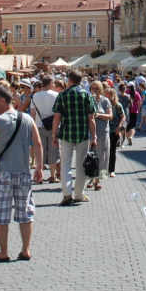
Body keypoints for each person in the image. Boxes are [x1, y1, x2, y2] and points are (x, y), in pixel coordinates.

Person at [0, 84, 43, 261]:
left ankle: (4, 252)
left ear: (2, 100)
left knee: (2, 212)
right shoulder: (27, 119)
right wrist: (38, 167)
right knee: (25, 211)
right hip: (23, 172)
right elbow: (37, 144)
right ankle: (26, 249)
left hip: (4, 172)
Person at [52, 70, 99, 205]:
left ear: (69, 80)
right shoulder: (86, 95)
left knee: (65, 165)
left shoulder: (63, 95)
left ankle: (67, 195)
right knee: (81, 166)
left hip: (66, 134)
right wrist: (94, 136)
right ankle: (79, 194)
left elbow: (56, 118)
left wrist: (54, 134)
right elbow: (92, 119)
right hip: (83, 134)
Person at [29, 75, 62, 184]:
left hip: (39, 126)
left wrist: (32, 128)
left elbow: (33, 113)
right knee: (53, 150)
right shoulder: (57, 95)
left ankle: (40, 175)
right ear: (50, 83)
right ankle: (52, 176)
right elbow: (60, 112)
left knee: (40, 151)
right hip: (54, 126)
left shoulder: (35, 96)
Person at [88, 82, 113, 191]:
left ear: (101, 89)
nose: (95, 91)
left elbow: (110, 116)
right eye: (93, 89)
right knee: (91, 156)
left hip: (103, 132)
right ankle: (92, 178)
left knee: (102, 156)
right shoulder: (89, 99)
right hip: (91, 132)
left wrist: (99, 115)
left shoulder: (105, 100)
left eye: (97, 89)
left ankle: (97, 179)